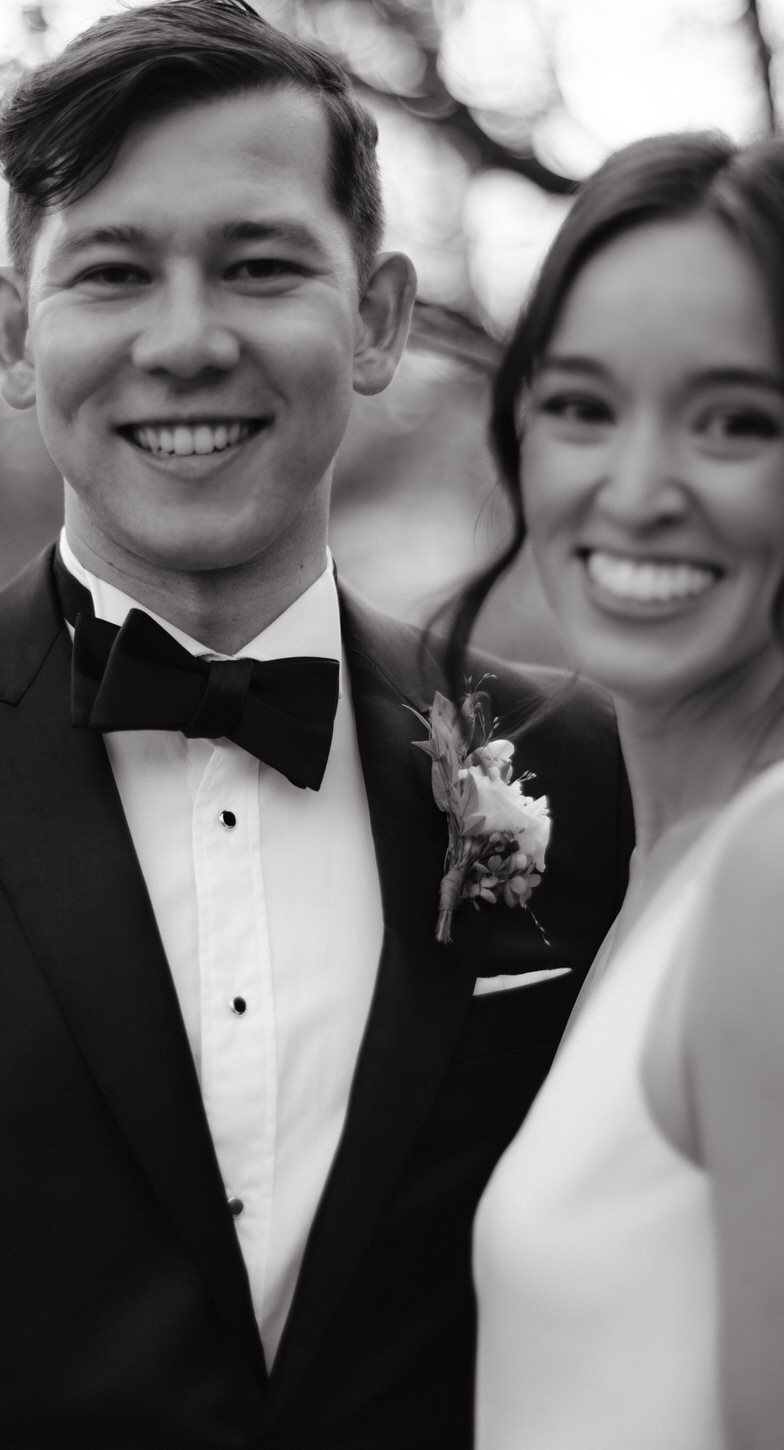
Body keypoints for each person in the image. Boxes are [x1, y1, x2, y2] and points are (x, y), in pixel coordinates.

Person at [0, 2, 628, 1445]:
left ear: (375, 317)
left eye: (259, 266)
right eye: (114, 273)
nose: (186, 342)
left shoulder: (580, 766)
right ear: (15, 331)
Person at [469, 131, 784, 1450]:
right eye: (585, 406)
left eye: (737, 422)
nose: (639, 490)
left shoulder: (772, 871)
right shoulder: (668, 860)